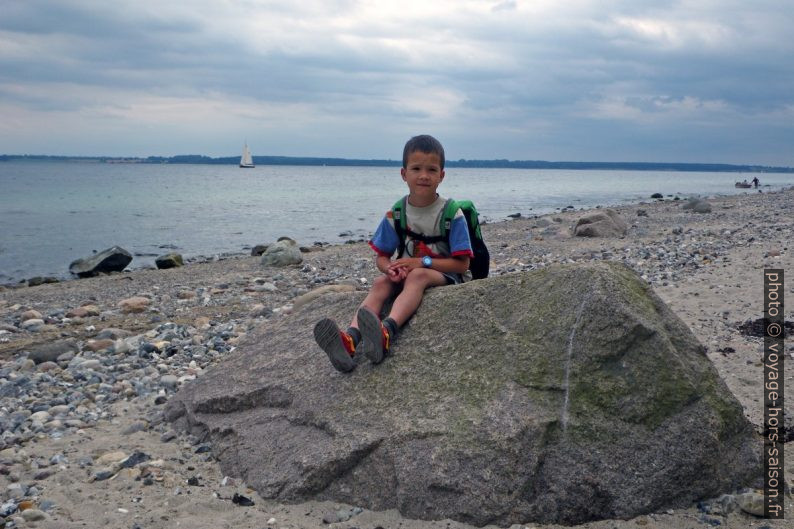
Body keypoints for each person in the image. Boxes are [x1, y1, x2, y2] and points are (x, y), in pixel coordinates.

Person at [313, 134, 473, 373]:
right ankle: (350, 340)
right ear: (403, 174)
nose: (423, 175)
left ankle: (386, 332)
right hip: (406, 273)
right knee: (380, 283)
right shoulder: (397, 213)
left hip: (445, 275)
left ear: (442, 175)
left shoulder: (452, 213)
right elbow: (382, 257)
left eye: (431, 169)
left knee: (418, 276)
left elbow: (462, 265)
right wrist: (389, 268)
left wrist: (422, 262)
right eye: (416, 168)